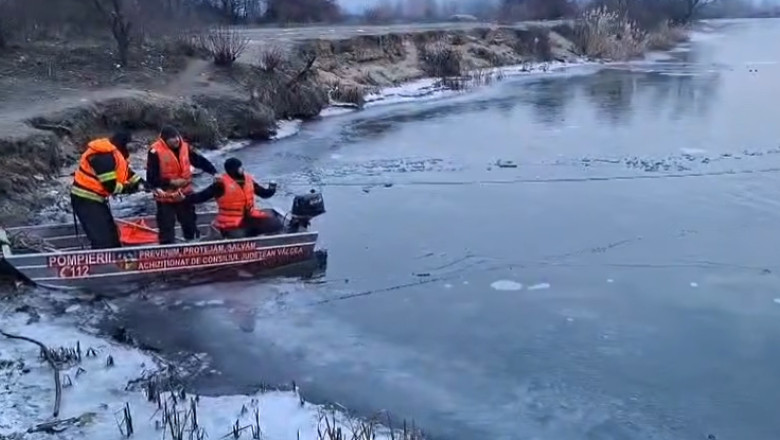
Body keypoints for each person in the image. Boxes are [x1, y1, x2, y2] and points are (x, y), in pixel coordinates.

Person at [71, 131, 143, 249]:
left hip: (95, 200)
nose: (130, 149)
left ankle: (113, 260)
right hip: (86, 199)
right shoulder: (104, 157)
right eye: (129, 145)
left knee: (112, 235)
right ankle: (103, 266)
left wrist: (141, 182)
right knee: (103, 240)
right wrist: (130, 188)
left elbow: (126, 173)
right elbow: (111, 187)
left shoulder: (114, 154)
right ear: (123, 144)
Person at [146, 125, 217, 244]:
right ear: (165, 140)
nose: (176, 140)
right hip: (165, 197)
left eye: (177, 137)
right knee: (166, 226)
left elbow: (199, 160)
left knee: (189, 223)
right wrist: (171, 182)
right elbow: (151, 178)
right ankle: (167, 251)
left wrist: (214, 172)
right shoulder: (155, 152)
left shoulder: (184, 147)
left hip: (184, 194)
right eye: (172, 138)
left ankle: (193, 244)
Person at [183, 158, 282, 238]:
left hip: (250, 217)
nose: (242, 169)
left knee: (275, 224)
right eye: (239, 167)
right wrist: (184, 198)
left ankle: (257, 239)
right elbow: (202, 196)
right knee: (240, 235)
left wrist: (271, 189)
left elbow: (263, 193)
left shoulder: (248, 180)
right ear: (233, 169)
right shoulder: (220, 184)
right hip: (229, 222)